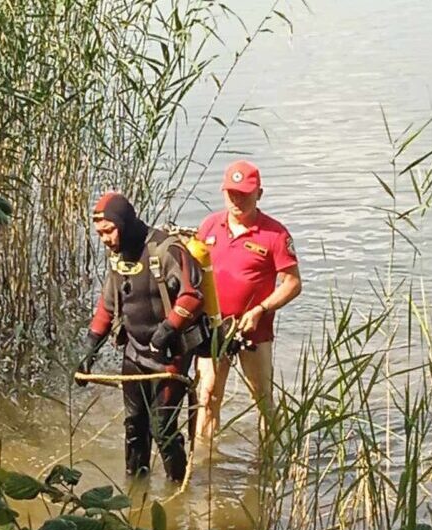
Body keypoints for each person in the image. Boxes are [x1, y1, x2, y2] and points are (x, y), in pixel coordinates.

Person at [75, 192, 205, 481]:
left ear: (124, 223)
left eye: (109, 231)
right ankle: (136, 493)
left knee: (163, 429)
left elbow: (193, 296)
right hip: (134, 354)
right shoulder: (117, 258)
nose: (105, 239)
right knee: (134, 427)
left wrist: (166, 330)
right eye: (100, 234)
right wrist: (88, 352)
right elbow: (107, 306)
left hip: (170, 357)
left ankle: (177, 490)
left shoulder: (165, 249)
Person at [195, 160, 302, 441]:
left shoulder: (275, 234)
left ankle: (269, 461)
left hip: (254, 331)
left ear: (259, 194)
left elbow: (292, 283)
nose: (237, 200)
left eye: (244, 193)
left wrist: (260, 309)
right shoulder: (209, 226)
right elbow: (191, 271)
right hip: (214, 329)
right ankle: (205, 466)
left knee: (263, 399)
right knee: (207, 398)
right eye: (232, 193)